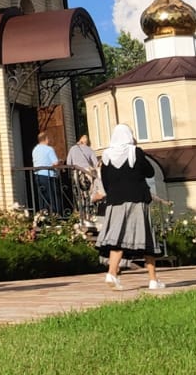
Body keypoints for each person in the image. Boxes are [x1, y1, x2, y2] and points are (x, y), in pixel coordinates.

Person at [97, 123, 166, 291]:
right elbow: (150, 172)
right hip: (136, 200)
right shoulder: (135, 152)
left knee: (117, 239)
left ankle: (112, 273)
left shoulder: (106, 157)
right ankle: (153, 280)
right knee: (146, 238)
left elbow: (105, 183)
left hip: (115, 202)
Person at [66, 133, 100, 223]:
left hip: (77, 173)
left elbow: (69, 163)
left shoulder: (73, 149)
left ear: (79, 140)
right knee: (88, 194)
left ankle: (81, 215)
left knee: (79, 195)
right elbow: (96, 164)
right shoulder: (90, 150)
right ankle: (90, 215)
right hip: (87, 173)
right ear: (87, 142)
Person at [31, 130, 63, 214]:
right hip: (48, 175)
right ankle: (56, 216)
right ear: (46, 139)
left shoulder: (35, 149)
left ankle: (44, 216)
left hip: (37, 175)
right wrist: (60, 162)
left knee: (43, 197)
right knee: (53, 197)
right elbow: (55, 163)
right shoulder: (49, 149)